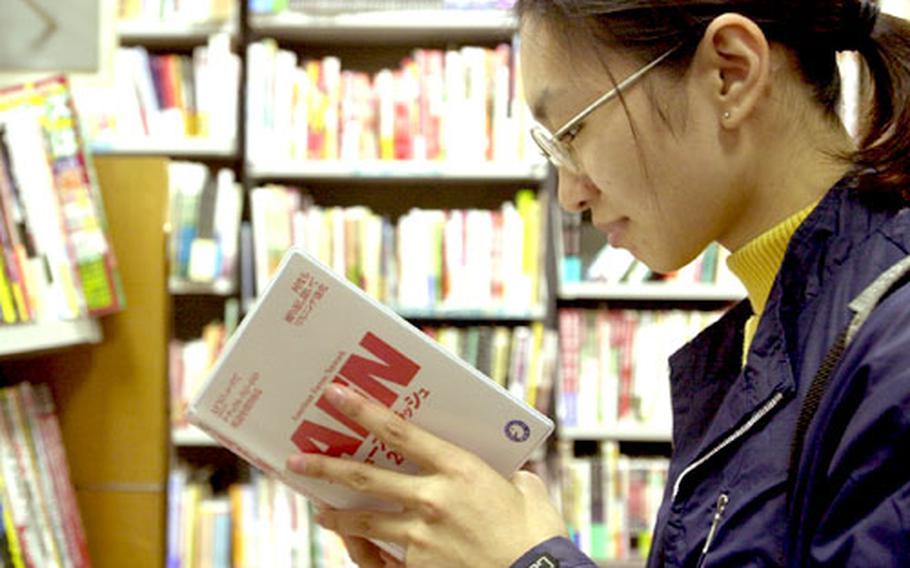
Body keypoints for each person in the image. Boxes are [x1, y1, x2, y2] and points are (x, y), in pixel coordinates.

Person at [286, 0, 910, 565]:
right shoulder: (764, 336)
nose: (570, 193)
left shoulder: (892, 349)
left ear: (731, 73)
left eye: (573, 131)